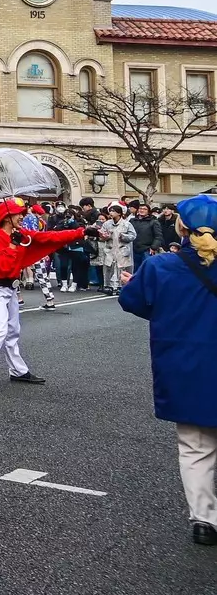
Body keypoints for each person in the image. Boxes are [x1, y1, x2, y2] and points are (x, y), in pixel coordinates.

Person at [118, 194, 217, 545]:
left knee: (196, 446)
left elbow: (133, 302)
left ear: (182, 229)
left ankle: (204, 520)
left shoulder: (160, 267)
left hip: (185, 365)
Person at [0, 198, 85, 391]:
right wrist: (13, 246)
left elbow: (47, 238)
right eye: (18, 214)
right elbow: (4, 267)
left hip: (9, 289)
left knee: (12, 331)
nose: (22, 216)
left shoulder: (18, 233)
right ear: (6, 218)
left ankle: (17, 370)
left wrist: (80, 232)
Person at [97, 205, 135, 294]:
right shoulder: (107, 224)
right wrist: (104, 236)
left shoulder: (127, 224)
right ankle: (108, 285)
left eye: (113, 211)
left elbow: (133, 235)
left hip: (122, 249)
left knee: (122, 268)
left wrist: (124, 236)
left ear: (119, 213)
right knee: (108, 267)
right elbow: (101, 235)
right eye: (110, 211)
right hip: (110, 248)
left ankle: (121, 286)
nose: (111, 213)